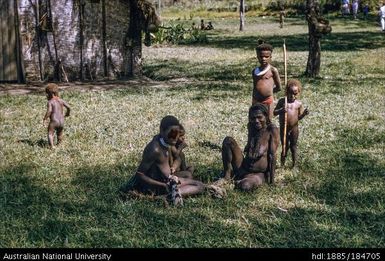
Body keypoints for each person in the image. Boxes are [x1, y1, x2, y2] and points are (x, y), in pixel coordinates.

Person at [120, 116, 206, 205]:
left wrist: (173, 169)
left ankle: (167, 195)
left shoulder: (167, 142)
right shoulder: (155, 149)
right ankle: (161, 197)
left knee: (196, 182)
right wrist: (163, 185)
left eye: (177, 133)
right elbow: (140, 174)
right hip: (157, 186)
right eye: (172, 133)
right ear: (161, 131)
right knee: (199, 186)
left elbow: (177, 158)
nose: (175, 137)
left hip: (167, 180)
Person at [220, 104, 279, 191]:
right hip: (244, 167)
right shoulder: (251, 126)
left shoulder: (271, 130)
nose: (256, 121)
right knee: (228, 141)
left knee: (245, 186)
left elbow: (272, 156)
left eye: (259, 117)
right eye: (253, 118)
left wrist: (272, 181)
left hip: (259, 173)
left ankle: (239, 181)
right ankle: (227, 176)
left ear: (266, 116)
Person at [273, 79, 309, 168]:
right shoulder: (282, 101)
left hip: (294, 129)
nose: (292, 96)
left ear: (298, 93)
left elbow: (298, 117)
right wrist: (281, 110)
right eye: (290, 93)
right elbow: (274, 113)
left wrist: (304, 114)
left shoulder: (298, 104)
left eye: (295, 93)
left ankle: (294, 164)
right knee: (285, 146)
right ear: (286, 92)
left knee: (293, 146)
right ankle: (282, 164)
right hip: (284, 128)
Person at [251, 41, 282, 120]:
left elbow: (279, 87)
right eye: (261, 56)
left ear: (270, 56)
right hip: (256, 100)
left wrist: (268, 93)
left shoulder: (273, 70)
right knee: (255, 120)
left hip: (268, 101)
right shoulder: (254, 71)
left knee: (268, 121)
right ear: (257, 56)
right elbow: (255, 86)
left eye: (266, 56)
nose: (263, 59)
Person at [43, 83, 71, 148]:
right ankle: (59, 145)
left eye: (47, 94)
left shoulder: (50, 102)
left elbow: (49, 111)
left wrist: (45, 119)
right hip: (61, 121)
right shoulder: (61, 100)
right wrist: (67, 113)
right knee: (59, 134)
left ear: (50, 94)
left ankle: (52, 146)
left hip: (54, 121)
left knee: (50, 133)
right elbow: (69, 107)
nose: (46, 96)